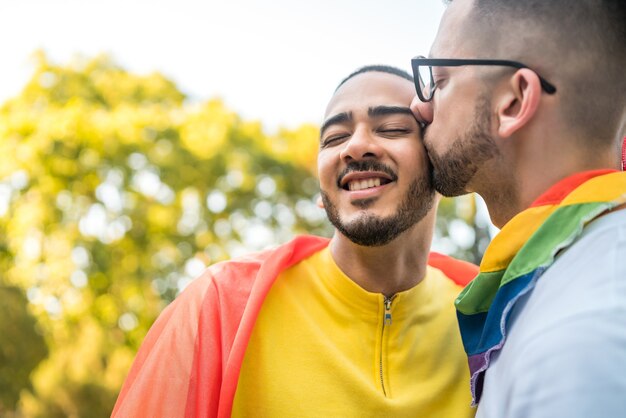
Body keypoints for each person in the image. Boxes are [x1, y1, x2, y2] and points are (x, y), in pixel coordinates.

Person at [111, 65, 478, 418]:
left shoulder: (492, 315)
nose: (355, 146)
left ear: (439, 162)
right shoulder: (221, 304)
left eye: (392, 128)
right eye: (335, 138)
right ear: (324, 191)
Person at [410, 1, 626, 417]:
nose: (420, 107)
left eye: (439, 79)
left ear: (513, 101)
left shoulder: (587, 329)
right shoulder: (570, 284)